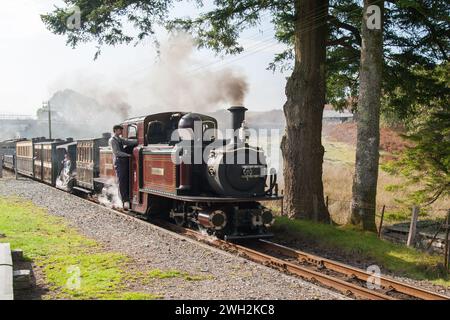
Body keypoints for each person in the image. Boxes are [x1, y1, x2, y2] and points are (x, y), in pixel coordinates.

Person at [109, 125, 138, 210]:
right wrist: (128, 155)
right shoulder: (112, 140)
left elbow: (128, 142)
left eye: (121, 130)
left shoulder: (119, 139)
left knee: (126, 179)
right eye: (119, 130)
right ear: (115, 130)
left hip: (124, 161)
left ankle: (127, 198)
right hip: (119, 162)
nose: (121, 131)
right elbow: (117, 152)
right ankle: (123, 200)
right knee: (121, 180)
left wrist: (139, 140)